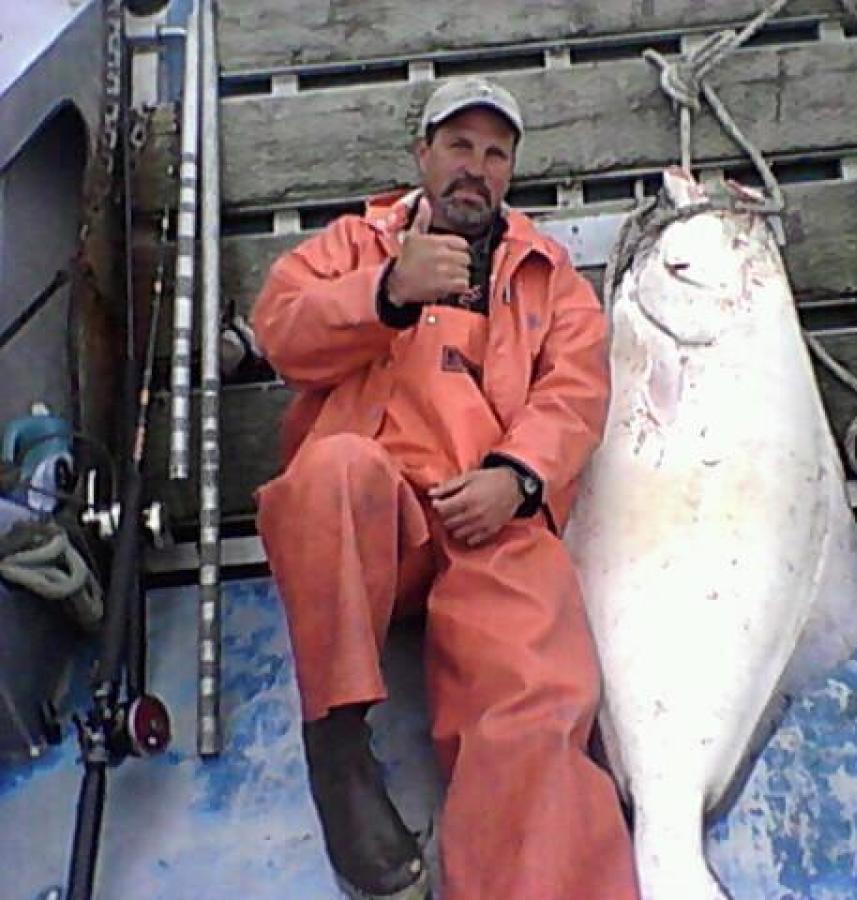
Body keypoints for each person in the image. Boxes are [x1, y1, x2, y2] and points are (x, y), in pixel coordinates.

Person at [251, 77, 639, 900]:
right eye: (458, 145)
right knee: (329, 474)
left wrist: (518, 475)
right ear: (422, 155)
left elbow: (577, 389)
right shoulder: (353, 242)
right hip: (375, 522)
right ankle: (338, 745)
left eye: (495, 153)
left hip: (488, 520)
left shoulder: (550, 275)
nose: (477, 166)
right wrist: (386, 292)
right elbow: (281, 328)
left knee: (531, 701)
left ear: (510, 172)